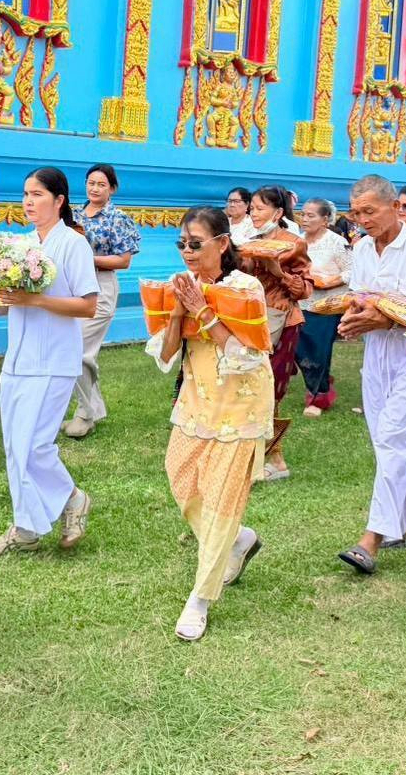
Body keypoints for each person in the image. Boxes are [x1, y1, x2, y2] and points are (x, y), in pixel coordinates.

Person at [148, 206, 270, 641]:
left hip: (241, 408)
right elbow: (165, 356)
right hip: (196, 402)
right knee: (181, 480)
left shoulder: (246, 287)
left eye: (195, 243)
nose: (187, 251)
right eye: (182, 244)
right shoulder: (183, 286)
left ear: (222, 243)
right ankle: (239, 540)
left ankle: (199, 599)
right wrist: (180, 311)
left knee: (220, 501)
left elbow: (248, 355)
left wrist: (203, 311)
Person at [335, 175, 406, 574]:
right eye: (357, 212)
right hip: (377, 350)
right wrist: (352, 319)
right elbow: (360, 297)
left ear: (394, 207)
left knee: (394, 433)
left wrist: (384, 321)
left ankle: (373, 537)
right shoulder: (363, 248)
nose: (362, 219)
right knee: (386, 434)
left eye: (370, 211)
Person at [0, 167, 97, 554]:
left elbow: (87, 305)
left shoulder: (73, 244)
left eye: (37, 194)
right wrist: (3, 297)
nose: (28, 201)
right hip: (17, 358)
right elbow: (3, 308)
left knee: (35, 446)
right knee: (15, 447)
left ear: (59, 200)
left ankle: (72, 497)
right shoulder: (18, 245)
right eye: (26, 194)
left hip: (54, 360)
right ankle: (26, 529)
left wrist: (36, 300)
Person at [65, 164, 141, 439]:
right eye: (91, 183)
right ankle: (90, 408)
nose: (94, 188)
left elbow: (124, 260)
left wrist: (88, 258)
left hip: (101, 285)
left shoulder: (117, 218)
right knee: (70, 347)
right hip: (71, 286)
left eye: (101, 184)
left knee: (80, 350)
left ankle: (86, 412)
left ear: (112, 189)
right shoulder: (72, 214)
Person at [244, 186, 312, 479]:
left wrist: (277, 271)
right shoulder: (247, 242)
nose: (253, 214)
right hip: (250, 321)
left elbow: (304, 289)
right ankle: (257, 456)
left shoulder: (293, 244)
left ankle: (276, 459)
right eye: (252, 209)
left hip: (282, 321)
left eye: (259, 208)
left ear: (278, 212)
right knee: (249, 386)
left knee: (270, 391)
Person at [296, 197, 351, 417]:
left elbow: (353, 271)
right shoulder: (298, 242)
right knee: (299, 349)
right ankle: (320, 380)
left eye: (311, 215)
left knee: (318, 349)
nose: (305, 219)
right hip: (301, 303)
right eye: (303, 214)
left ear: (325, 219)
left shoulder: (337, 242)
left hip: (327, 305)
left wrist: (328, 281)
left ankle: (318, 397)